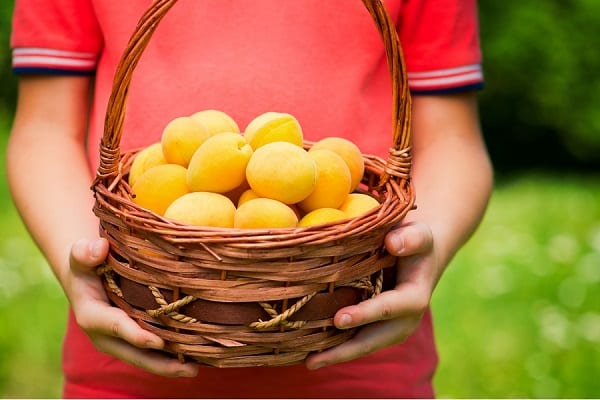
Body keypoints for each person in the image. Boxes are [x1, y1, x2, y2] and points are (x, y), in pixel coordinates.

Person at [7, 0, 493, 397]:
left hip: (359, 353)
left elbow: (455, 142)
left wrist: (424, 248)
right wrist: (82, 265)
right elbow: (44, 131)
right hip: (132, 351)